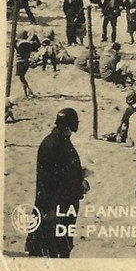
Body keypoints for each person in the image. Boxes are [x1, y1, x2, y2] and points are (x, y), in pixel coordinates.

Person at [25, 108, 88, 258]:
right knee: (50, 246)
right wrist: (49, 208)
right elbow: (46, 180)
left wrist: (80, 179)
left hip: (64, 201)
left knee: (61, 244)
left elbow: (63, 170)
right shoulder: (52, 144)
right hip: (55, 204)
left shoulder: (61, 140)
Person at [14, 31, 41, 98]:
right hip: (25, 62)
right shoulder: (28, 44)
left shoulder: (19, 43)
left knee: (22, 78)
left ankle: (27, 93)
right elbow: (36, 48)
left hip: (20, 61)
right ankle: (28, 92)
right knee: (23, 78)